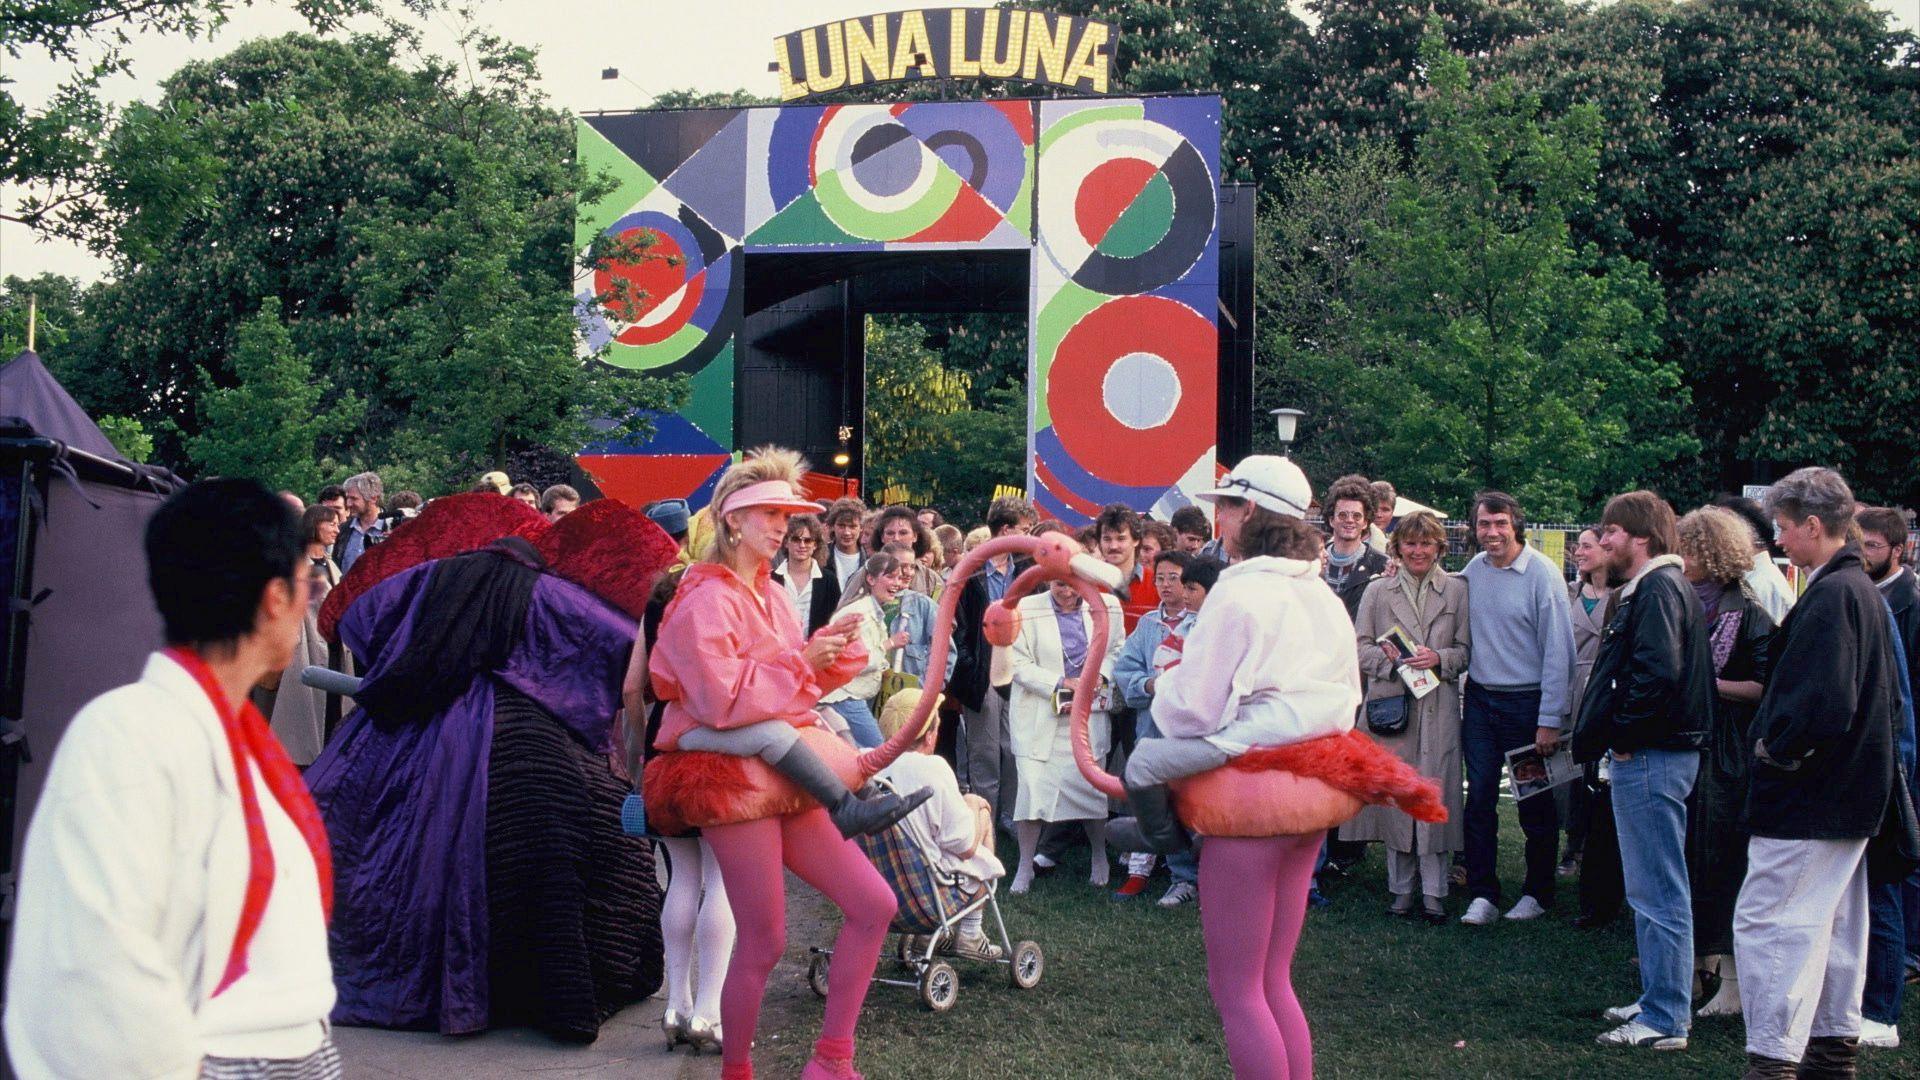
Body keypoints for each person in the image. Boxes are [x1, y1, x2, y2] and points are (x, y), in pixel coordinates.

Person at [4, 478, 339, 1077]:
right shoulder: (126, 736)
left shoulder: (233, 736)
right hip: (213, 1059)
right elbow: (92, 975)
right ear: (274, 598)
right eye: (305, 583)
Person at [648, 449, 929, 1080]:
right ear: (731, 521)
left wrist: (827, 657)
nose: (783, 526)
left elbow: (787, 688)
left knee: (873, 904)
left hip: (778, 779)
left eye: (788, 514)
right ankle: (738, 1071)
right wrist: (806, 664)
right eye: (769, 514)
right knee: (765, 939)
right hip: (727, 783)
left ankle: (831, 1061)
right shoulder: (702, 600)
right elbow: (723, 700)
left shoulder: (770, 595)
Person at [1109, 454, 1365, 1080]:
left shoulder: (1240, 591)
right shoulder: (1320, 591)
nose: (1216, 517)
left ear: (1248, 511)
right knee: (1274, 980)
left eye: (1224, 505)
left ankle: (1151, 842)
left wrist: (1167, 679)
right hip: (1314, 790)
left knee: (1238, 990)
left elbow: (1189, 713)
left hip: (1252, 795)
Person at [1735, 467, 1899, 1080]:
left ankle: (1774, 1062)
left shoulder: (1834, 594)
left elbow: (1823, 705)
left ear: (1812, 525)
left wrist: (1774, 753)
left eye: (1782, 527)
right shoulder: (1855, 589)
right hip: (1849, 794)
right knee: (1832, 926)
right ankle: (1830, 1056)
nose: (1778, 541)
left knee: (1772, 925)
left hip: (1813, 797)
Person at [1570, 491, 1713, 1051]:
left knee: (1659, 891)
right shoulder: (1658, 587)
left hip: (1653, 755)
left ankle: (1665, 1017)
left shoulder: (1656, 588)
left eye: (1611, 532)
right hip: (1655, 753)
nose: (1603, 541)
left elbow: (1657, 673)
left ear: (1641, 539)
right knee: (1651, 889)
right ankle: (1660, 998)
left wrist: (1623, 738)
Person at [1339, 511, 1469, 924]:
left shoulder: (1457, 591)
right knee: (1398, 800)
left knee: (1433, 796)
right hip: (1391, 710)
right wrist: (1392, 662)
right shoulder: (1378, 593)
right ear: (1397, 547)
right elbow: (1358, 648)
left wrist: (1440, 658)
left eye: (1426, 543)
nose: (1418, 551)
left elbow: (1466, 650)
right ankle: (1399, 891)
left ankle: (1434, 893)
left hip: (1438, 710)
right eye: (1410, 543)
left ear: (1438, 548)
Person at [1676, 506, 1777, 1020]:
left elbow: (1765, 687)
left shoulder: (1749, 611)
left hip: (1728, 752)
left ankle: (1730, 981)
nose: (1681, 557)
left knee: (1721, 861)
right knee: (1690, 858)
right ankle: (1693, 966)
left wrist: (1705, 685)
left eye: (1689, 549)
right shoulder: (1684, 599)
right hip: (1689, 744)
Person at [1458, 490, 1577, 925]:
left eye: (1500, 523)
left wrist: (1549, 720)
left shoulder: (1542, 575)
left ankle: (1538, 892)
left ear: (1515, 525)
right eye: (1484, 524)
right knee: (1481, 798)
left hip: (1528, 707)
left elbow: (1559, 653)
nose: (1492, 532)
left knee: (1534, 804)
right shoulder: (1473, 570)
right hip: (1482, 704)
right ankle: (1483, 892)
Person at [627, 567, 732, 1054]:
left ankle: (676, 1004)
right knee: (721, 879)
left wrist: (635, 752)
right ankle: (709, 1012)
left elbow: (632, 686)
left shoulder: (661, 594)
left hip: (662, 742)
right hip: (713, 742)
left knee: (681, 876)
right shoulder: (724, 595)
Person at [1007, 575, 1125, 893]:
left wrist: (1097, 676)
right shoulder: (1026, 608)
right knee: (1031, 790)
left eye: (1074, 585)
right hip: (1039, 713)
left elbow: (1116, 650)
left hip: (1088, 712)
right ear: (1048, 581)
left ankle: (1099, 856)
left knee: (1091, 789)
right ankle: (1023, 865)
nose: (1067, 592)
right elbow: (1016, 663)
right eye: (1059, 584)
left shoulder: (1109, 606)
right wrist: (1060, 682)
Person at [1852, 505, 1920, 1049]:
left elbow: (1904, 696)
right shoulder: (1869, 595)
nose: (1865, 553)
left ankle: (1883, 1007)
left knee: (1888, 887)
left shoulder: (1907, 604)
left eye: (1873, 546)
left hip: (1896, 760)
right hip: (1879, 757)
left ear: (1899, 550)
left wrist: (1901, 765)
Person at [872, 689, 1007, 960]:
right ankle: (970, 933)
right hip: (929, 894)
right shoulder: (933, 768)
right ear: (931, 734)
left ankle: (924, 937)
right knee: (977, 807)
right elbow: (964, 845)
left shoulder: (874, 766)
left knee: (923, 833)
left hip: (883, 888)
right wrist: (977, 807)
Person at [1112, 550, 1200, 903]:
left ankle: (1185, 877)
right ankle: (1140, 868)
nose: (1165, 585)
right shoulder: (1149, 624)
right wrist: (1148, 685)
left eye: (1173, 578)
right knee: (1152, 799)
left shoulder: (1201, 623)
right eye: (1159, 577)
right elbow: (1125, 668)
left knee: (1187, 799)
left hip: (1190, 729)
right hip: (1152, 726)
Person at [951, 495, 1035, 828]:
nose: (1029, 537)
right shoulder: (970, 573)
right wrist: (972, 670)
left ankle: (1012, 819)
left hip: (1019, 672)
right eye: (1024, 530)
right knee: (984, 753)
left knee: (1015, 749)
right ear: (1005, 531)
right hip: (983, 677)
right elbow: (959, 628)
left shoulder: (1028, 571)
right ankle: (983, 818)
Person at [263, 504, 347, 765]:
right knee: (303, 721)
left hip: (332, 648)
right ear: (315, 525)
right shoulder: (294, 564)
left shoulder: (331, 565)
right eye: (331, 523)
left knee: (332, 713)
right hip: (304, 649)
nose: (337, 528)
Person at [823, 553, 911, 748]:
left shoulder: (873, 610)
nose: (896, 583)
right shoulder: (858, 613)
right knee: (879, 753)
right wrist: (889, 644)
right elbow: (853, 661)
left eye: (898, 577)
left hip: (855, 696)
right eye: (889, 576)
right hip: (844, 696)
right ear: (870, 579)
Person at [1717, 494, 1796, 625]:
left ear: (1748, 533)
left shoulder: (1763, 585)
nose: (1713, 537)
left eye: (1721, 528)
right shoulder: (1751, 579)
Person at [1322, 477, 1390, 621]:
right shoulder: (1313, 561)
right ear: (1331, 520)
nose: (1350, 520)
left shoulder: (1382, 566)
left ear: (1365, 522)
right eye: (1342, 515)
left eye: (1357, 516)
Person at [772, 513, 840, 635]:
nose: (802, 545)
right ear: (786, 543)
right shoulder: (771, 579)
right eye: (796, 539)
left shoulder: (829, 580)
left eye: (808, 540)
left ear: (815, 545)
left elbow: (834, 621)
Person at [872, 504, 942, 597]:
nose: (896, 538)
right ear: (882, 538)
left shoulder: (931, 580)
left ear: (915, 536)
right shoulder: (867, 573)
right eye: (890, 533)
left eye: (903, 533)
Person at [334, 470, 387, 574]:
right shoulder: (342, 531)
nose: (348, 504)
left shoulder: (393, 528)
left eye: (354, 499)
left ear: (373, 498)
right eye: (347, 498)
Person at [824, 497, 868, 589]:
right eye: (841, 526)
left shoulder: (870, 559)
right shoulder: (821, 555)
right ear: (833, 526)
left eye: (852, 527)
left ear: (861, 528)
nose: (847, 532)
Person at [1369, 480, 1397, 552]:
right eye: (1374, 509)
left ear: (1392, 513)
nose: (1379, 515)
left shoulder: (1398, 549)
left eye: (1385, 510)